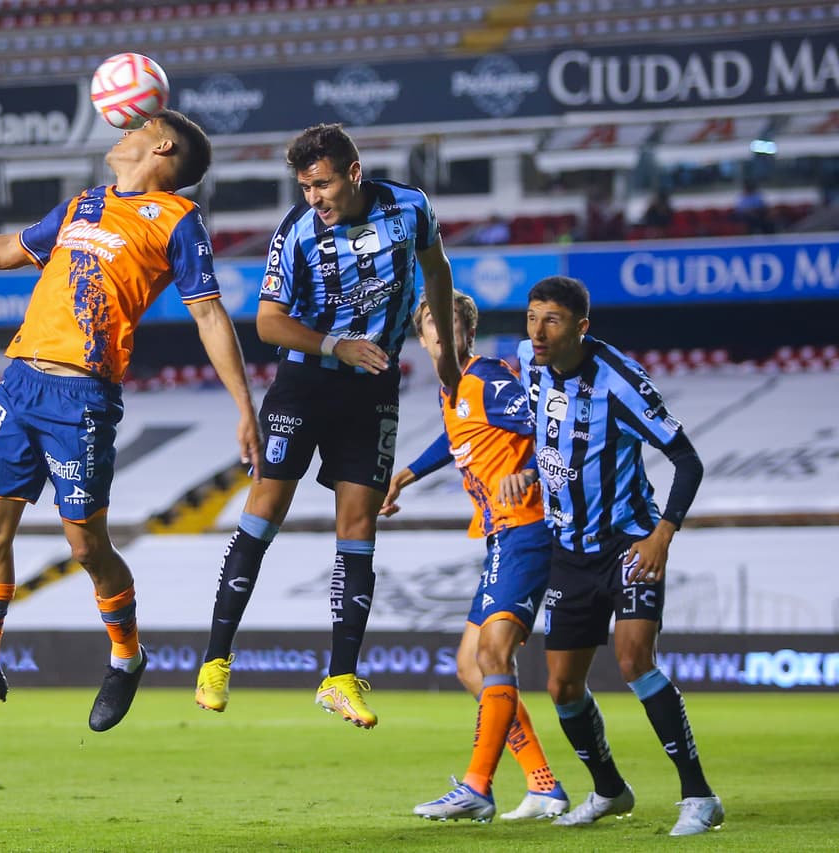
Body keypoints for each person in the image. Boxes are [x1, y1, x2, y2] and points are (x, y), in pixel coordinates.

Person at [0, 110, 262, 732]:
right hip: (19, 384)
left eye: (135, 128)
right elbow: (5, 251)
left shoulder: (179, 220)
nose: (120, 134)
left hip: (82, 399)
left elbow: (209, 315)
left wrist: (243, 408)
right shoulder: (84, 205)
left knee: (84, 545)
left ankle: (127, 658)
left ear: (162, 146)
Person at [194, 123, 461, 729]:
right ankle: (215, 659)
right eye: (305, 186)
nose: (314, 197)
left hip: (373, 391)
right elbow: (267, 322)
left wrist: (442, 351)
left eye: (322, 183)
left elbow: (437, 272)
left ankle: (340, 677)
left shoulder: (410, 208)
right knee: (263, 513)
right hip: (304, 383)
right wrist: (336, 345)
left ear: (354, 172)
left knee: (360, 526)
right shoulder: (295, 233)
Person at [519, 275, 723, 836]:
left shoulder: (621, 383)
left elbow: (688, 460)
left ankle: (699, 796)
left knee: (634, 659)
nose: (538, 331)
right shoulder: (528, 362)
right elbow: (538, 431)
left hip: (627, 544)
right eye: (532, 317)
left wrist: (662, 534)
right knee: (560, 685)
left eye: (552, 320)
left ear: (581, 327)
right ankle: (610, 789)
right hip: (568, 549)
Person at [381, 291, 568, 822]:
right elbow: (456, 435)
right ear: (422, 341)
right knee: (470, 666)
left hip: (528, 527)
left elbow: (548, 430)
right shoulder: (453, 389)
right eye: (432, 330)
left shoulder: (488, 378)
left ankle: (477, 787)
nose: (441, 336)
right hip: (498, 536)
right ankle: (544, 786)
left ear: (466, 332)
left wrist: (529, 472)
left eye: (450, 326)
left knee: (491, 656)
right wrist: (408, 473)